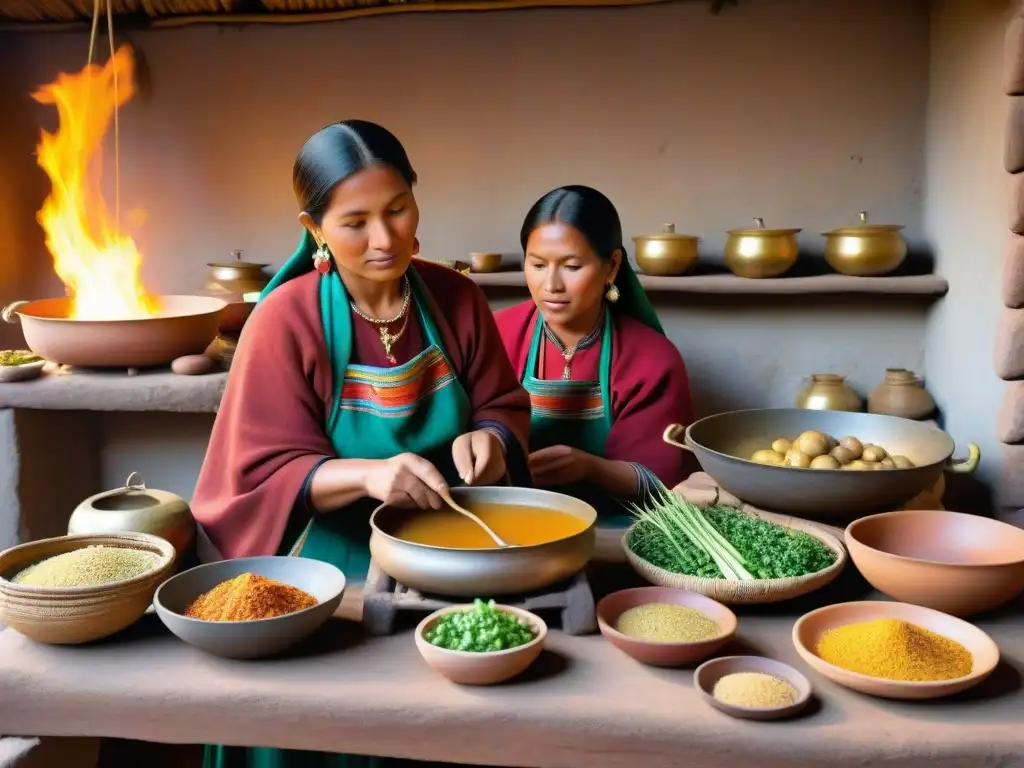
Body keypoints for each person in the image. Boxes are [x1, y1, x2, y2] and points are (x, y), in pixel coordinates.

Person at [191, 120, 530, 768]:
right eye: (355, 222)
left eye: (398, 210)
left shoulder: (457, 299)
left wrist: (491, 440)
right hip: (331, 564)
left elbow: (502, 405)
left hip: (456, 545)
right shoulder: (285, 318)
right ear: (314, 228)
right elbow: (264, 472)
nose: (384, 238)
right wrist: (370, 476)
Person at [495, 185, 696, 525]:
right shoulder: (495, 334)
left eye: (571, 266)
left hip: (615, 533)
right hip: (507, 520)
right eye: (538, 264)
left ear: (611, 266)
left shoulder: (652, 359)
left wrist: (588, 467)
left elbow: (661, 482)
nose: (551, 285)